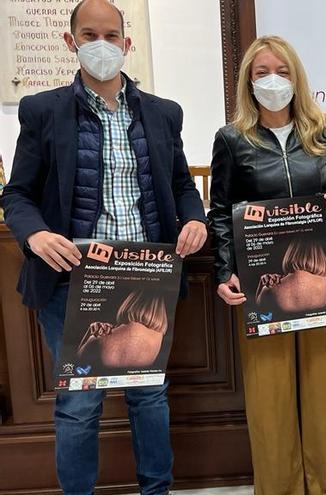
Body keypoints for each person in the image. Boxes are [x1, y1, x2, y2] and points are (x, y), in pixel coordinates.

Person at [0, 0, 207, 493]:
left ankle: (156, 490)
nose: (101, 44)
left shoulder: (162, 113)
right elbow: (18, 194)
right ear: (71, 42)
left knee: (149, 396)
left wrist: (195, 218)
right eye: (89, 35)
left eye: (111, 35)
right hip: (72, 279)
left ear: (126, 44)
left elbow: (181, 185)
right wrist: (35, 233)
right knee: (79, 404)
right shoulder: (42, 110)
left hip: (143, 275)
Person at [208, 35, 326, 495]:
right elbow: (220, 211)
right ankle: (279, 488)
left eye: (283, 71)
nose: (273, 80)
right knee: (269, 389)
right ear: (248, 82)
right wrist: (223, 270)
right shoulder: (232, 139)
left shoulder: (321, 128)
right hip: (262, 278)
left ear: (297, 77)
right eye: (262, 72)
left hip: (320, 273)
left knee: (324, 385)